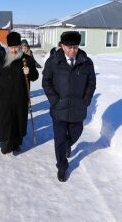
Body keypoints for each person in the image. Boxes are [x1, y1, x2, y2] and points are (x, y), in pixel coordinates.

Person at [42, 31, 96, 182]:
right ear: (62, 46)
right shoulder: (53, 62)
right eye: (70, 47)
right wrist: (54, 100)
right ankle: (61, 166)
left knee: (76, 133)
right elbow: (46, 81)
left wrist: (86, 100)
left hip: (78, 108)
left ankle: (67, 145)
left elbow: (91, 83)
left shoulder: (86, 62)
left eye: (76, 47)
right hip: (59, 108)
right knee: (59, 139)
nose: (73, 50)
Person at [0, 32, 39, 155]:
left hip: (20, 98)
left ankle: (17, 143)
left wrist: (29, 72)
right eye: (12, 48)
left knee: (18, 122)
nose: (14, 51)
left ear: (20, 47)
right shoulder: (1, 59)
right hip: (4, 99)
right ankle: (5, 143)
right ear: (8, 47)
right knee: (5, 122)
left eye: (17, 48)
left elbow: (35, 77)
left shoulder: (27, 60)